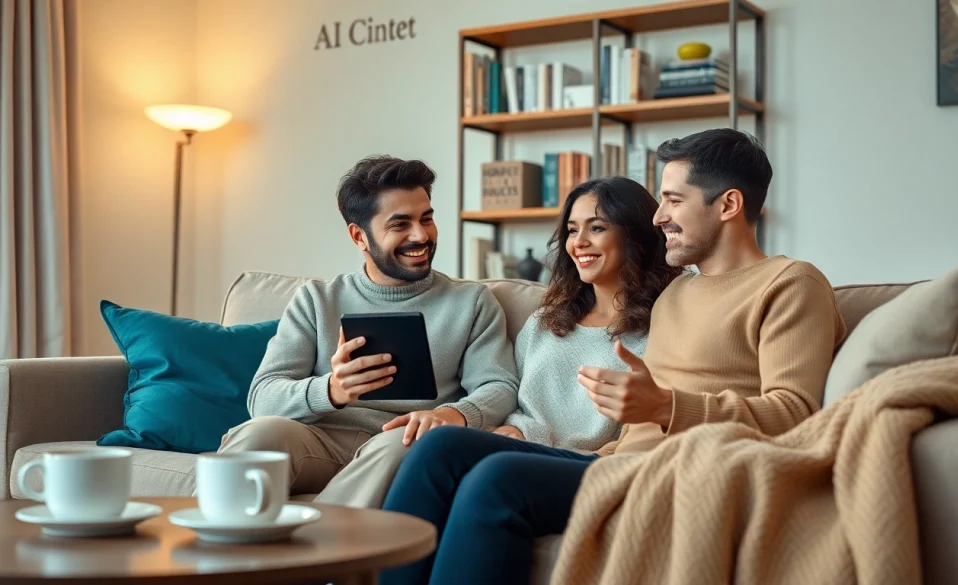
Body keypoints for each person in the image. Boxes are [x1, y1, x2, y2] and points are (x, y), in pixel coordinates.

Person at [379, 128, 848, 585]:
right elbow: (632, 431)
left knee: (496, 479)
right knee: (441, 448)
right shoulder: (676, 295)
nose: (659, 215)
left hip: (688, 472)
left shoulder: (790, 284)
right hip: (621, 464)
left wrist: (666, 406)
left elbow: (797, 414)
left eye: (674, 200)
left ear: (728, 204)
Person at [215, 154, 520, 509]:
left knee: (407, 445)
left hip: (402, 438)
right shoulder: (317, 299)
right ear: (359, 236)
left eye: (427, 218)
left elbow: (499, 386)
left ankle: (321, 553)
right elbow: (263, 398)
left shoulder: (471, 302)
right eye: (400, 224)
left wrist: (450, 414)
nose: (421, 235)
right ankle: (210, 555)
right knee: (259, 434)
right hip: (319, 440)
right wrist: (331, 389)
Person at [491, 177, 679, 451]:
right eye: (571, 230)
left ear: (634, 235)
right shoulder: (544, 321)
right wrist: (513, 429)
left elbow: (643, 432)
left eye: (597, 228)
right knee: (442, 442)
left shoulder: (664, 327)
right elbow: (512, 399)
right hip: (520, 450)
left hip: (588, 464)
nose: (578, 242)